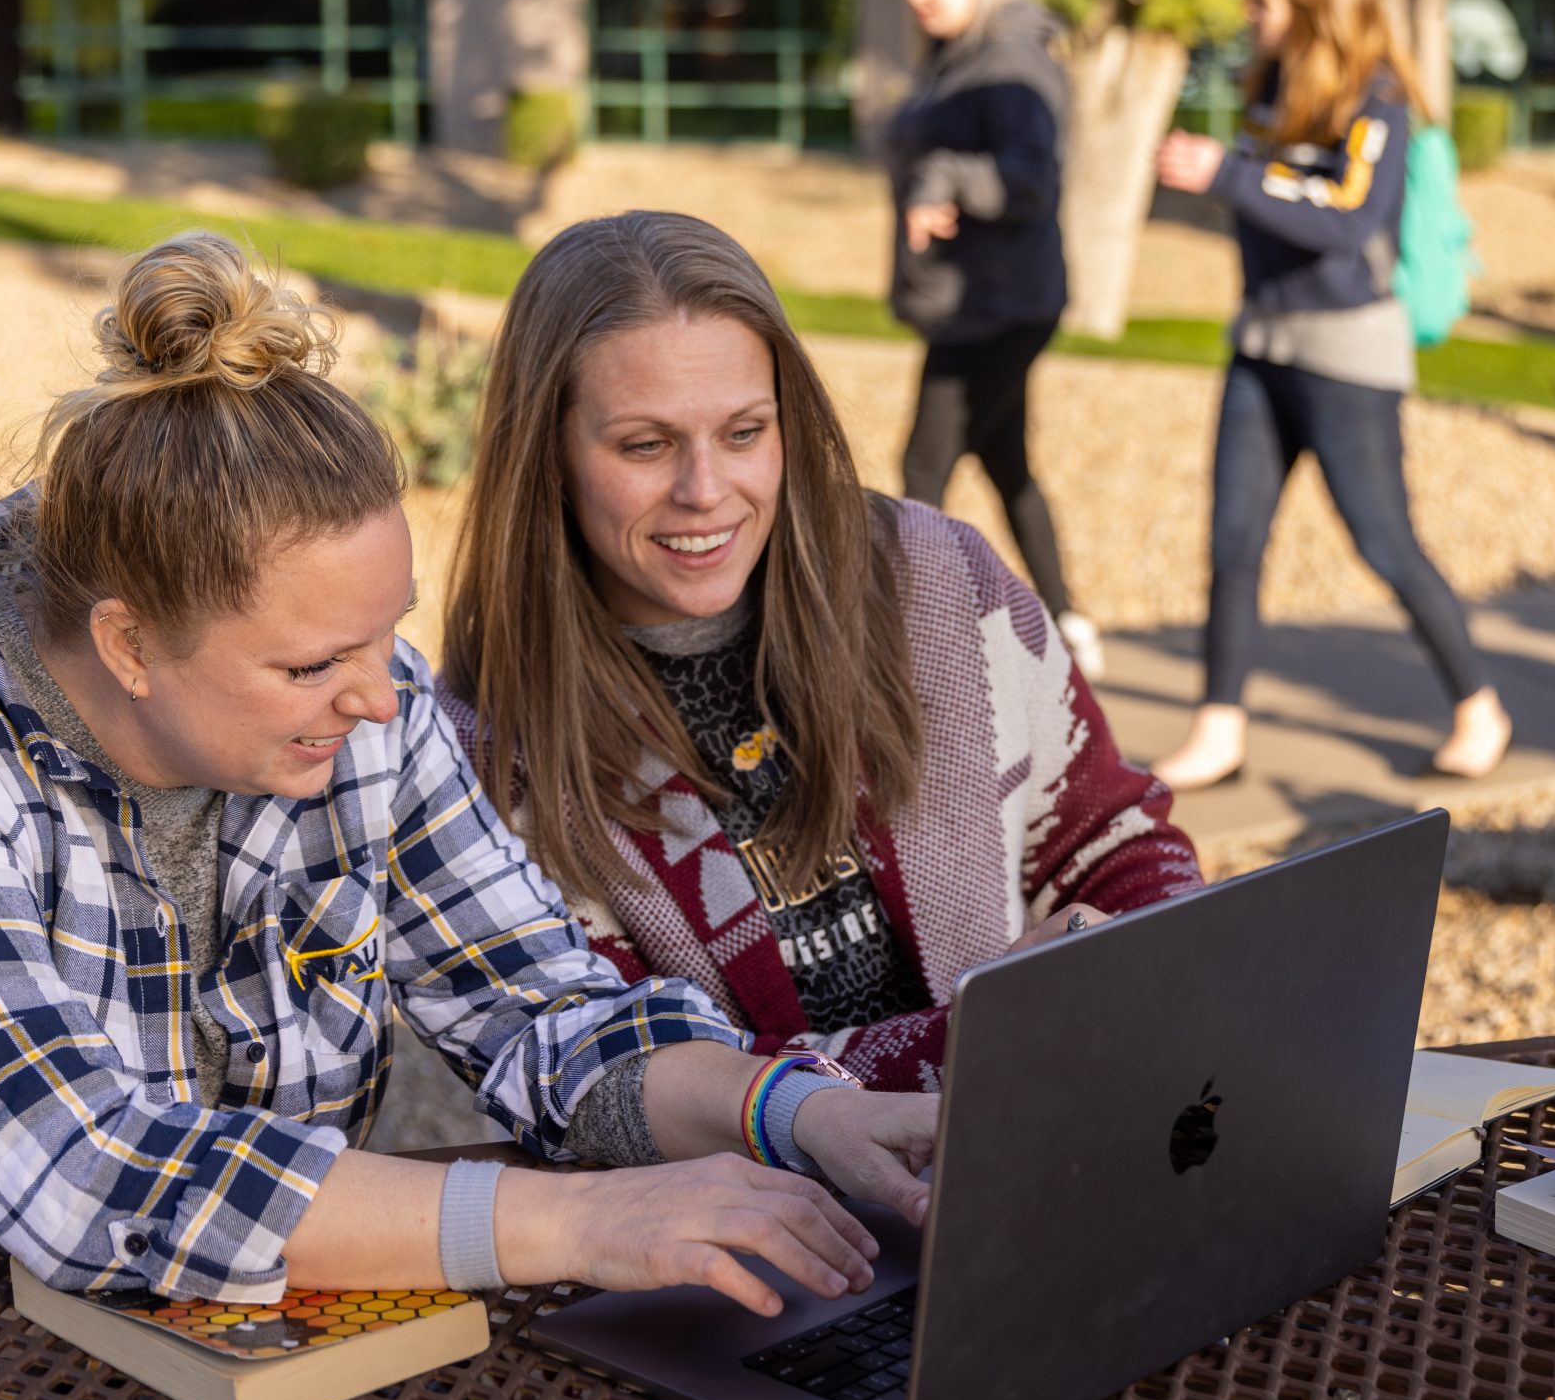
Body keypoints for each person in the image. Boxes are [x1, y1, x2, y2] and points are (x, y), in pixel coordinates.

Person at [0, 232, 937, 1321]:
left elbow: (543, 1005)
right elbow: (98, 1181)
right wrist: (586, 1223)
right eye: (318, 661)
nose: (385, 698)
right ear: (128, 642)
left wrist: (792, 1112)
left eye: (389, 634)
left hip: (187, 1327)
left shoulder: (359, 700)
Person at [438, 211, 1204, 1095]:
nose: (706, 490)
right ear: (547, 456)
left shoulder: (939, 575)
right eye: (645, 445)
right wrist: (990, 1034)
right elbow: (632, 1083)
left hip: (1041, 1130)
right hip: (748, 1219)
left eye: (744, 432)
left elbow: (1109, 839)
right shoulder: (485, 744)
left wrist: (1171, 967)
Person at [1148, 0, 1513, 790]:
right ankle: (1219, 726)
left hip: (1347, 362)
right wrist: (1236, 176)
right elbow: (1279, 210)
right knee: (1232, 543)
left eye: (1263, 0)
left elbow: (1345, 220)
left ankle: (1479, 704)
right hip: (1260, 349)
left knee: (1386, 544)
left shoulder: (1377, 103)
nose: (1250, 12)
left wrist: (1228, 176)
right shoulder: (1274, 91)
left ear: (1312, 11)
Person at [884, 0, 1104, 680]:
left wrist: (943, 178)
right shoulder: (960, 55)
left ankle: (916, 649)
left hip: (995, 307)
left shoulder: (1009, 65)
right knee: (1006, 460)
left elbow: (1031, 182)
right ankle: (1070, 623)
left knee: (921, 470)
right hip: (976, 301)